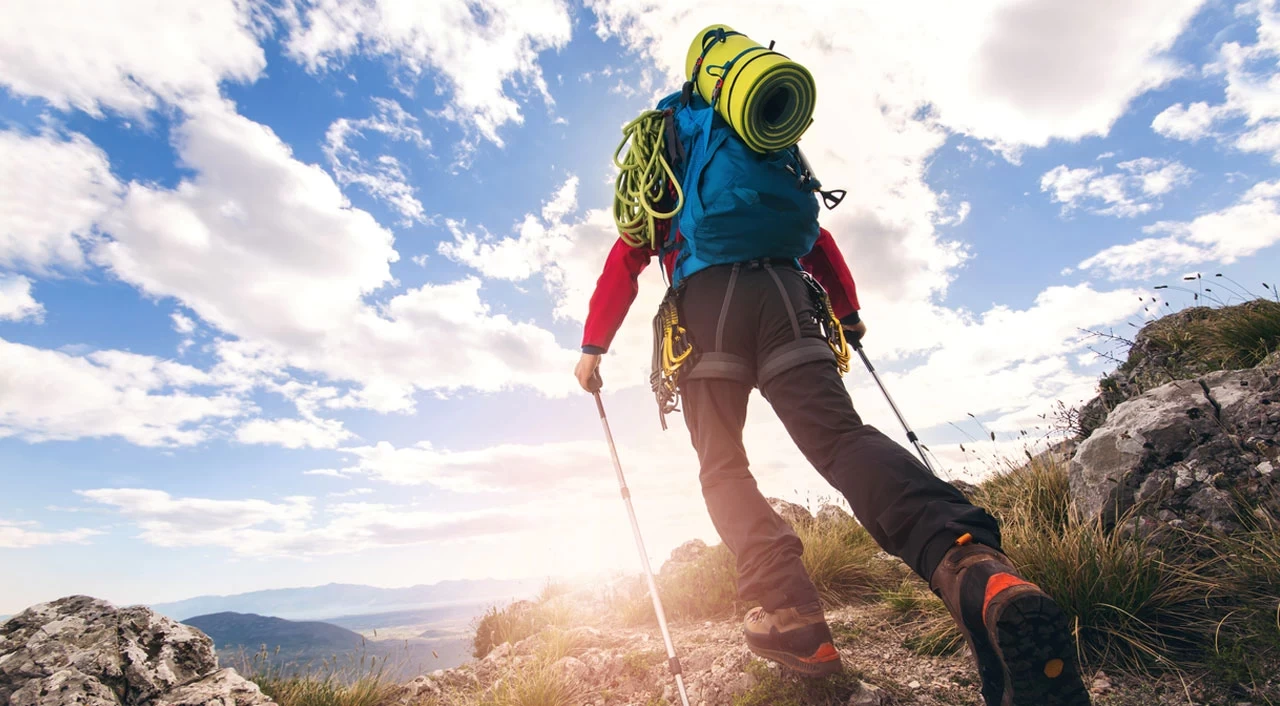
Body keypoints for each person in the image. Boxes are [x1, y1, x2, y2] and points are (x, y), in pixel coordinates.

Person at [573, 220, 1090, 705]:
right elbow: (813, 235)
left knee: (723, 466)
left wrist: (593, 345)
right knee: (841, 438)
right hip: (785, 292)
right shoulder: (765, 132)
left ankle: (790, 615)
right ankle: (976, 568)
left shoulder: (664, 153)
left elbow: (629, 251)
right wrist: (847, 312)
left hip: (705, 306)